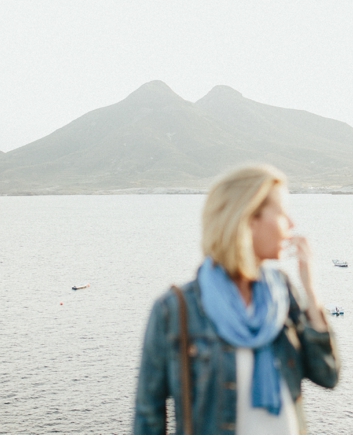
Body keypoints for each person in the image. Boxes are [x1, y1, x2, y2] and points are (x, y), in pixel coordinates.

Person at [134, 164, 339, 435]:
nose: (291, 225)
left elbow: (328, 374)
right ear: (248, 218)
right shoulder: (174, 310)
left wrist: (311, 291)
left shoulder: (283, 293)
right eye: (282, 213)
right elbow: (148, 419)